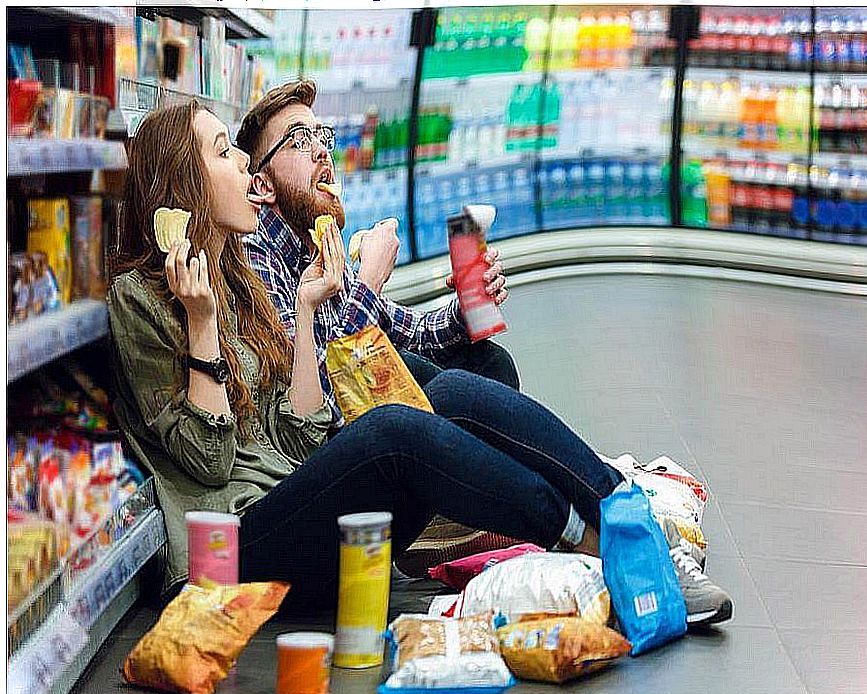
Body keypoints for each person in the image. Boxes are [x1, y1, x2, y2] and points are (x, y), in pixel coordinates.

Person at [107, 101, 732, 626]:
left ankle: (622, 520)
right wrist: (203, 325)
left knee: (455, 385)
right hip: (230, 555)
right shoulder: (145, 298)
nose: (241, 163)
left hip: (300, 505)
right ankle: (611, 548)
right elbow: (210, 464)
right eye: (223, 152)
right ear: (183, 183)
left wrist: (307, 312)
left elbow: (298, 435)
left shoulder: (235, 278)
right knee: (400, 427)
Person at [234, 80, 519, 431]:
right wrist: (369, 281)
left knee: (490, 362)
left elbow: (410, 331)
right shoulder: (255, 257)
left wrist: (465, 306)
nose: (322, 151)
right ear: (263, 185)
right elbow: (321, 399)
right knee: (450, 389)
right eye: (299, 140)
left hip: (369, 415)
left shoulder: (320, 242)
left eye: (321, 137)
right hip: (339, 443)